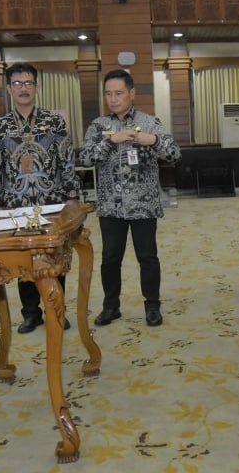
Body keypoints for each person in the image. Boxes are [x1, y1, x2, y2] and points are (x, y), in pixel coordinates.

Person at [0, 62, 82, 334]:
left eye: (28, 83)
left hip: (51, 202)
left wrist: (72, 198)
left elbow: (67, 161)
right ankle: (31, 313)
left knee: (54, 258)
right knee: (24, 261)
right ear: (9, 88)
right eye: (17, 83)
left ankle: (57, 309)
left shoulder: (54, 122)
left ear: (36, 88)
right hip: (18, 205)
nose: (23, 88)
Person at [81, 69, 181, 327]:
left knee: (147, 257)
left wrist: (154, 140)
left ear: (132, 93)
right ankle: (111, 307)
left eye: (118, 93)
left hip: (143, 205)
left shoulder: (149, 122)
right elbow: (85, 158)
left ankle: (152, 306)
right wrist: (110, 141)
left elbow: (174, 154)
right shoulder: (99, 126)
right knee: (110, 259)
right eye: (108, 94)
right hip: (110, 206)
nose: (113, 99)